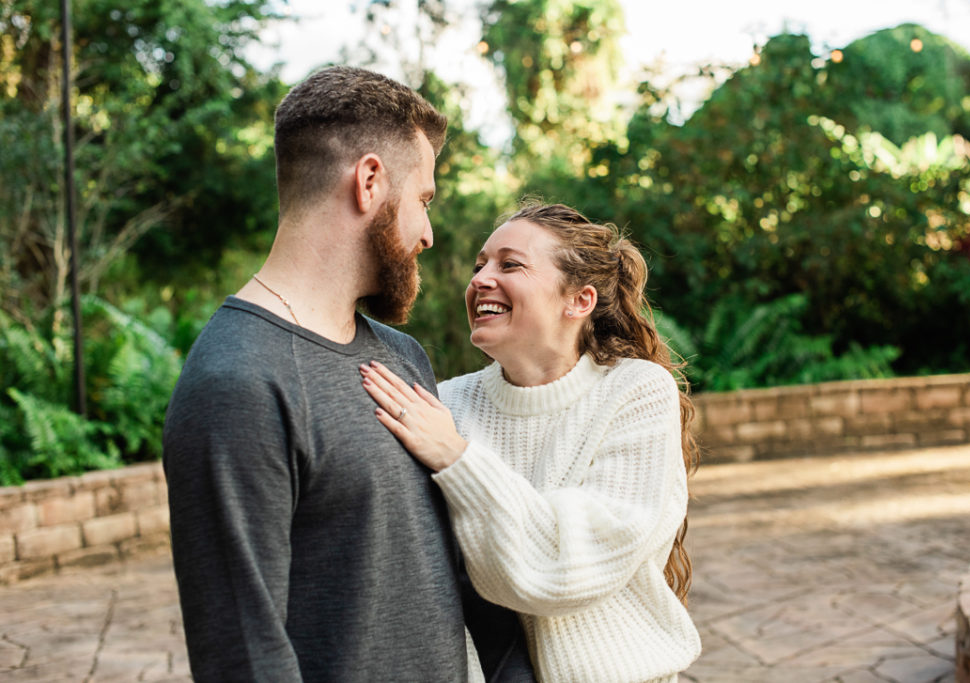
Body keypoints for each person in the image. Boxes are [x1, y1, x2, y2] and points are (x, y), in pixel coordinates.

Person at [162, 66, 531, 682]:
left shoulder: (402, 356)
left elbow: (466, 575)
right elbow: (245, 657)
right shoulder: (237, 384)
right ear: (368, 182)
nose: (429, 234)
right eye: (424, 200)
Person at [360, 203, 703, 682]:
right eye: (480, 265)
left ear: (579, 301)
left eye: (510, 264)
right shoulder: (447, 405)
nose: (481, 279)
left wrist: (458, 459)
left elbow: (566, 568)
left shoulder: (635, 391)